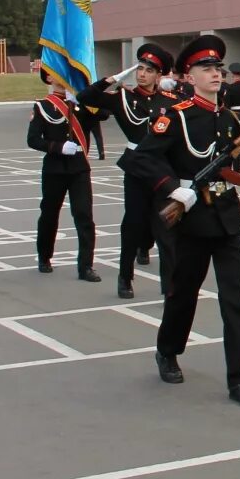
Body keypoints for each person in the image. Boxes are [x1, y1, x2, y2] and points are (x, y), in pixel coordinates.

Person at [125, 34, 240, 409]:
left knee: (234, 299)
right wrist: (173, 187)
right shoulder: (176, 116)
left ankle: (239, 378)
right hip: (192, 218)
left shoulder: (227, 116)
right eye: (207, 68)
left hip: (227, 218)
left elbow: (229, 165)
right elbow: (140, 160)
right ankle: (167, 350)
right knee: (183, 293)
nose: (216, 74)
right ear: (189, 75)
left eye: (218, 68)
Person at [78, 44, 179, 299]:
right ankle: (125, 277)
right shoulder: (122, 98)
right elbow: (85, 97)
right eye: (140, 69)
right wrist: (112, 79)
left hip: (163, 169)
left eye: (148, 71)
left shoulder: (170, 102)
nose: (142, 74)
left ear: (159, 76)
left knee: (166, 228)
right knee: (132, 225)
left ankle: (170, 287)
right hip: (136, 169)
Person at [29, 69, 100, 284]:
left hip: (79, 168)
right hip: (55, 168)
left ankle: (86, 266)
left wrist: (84, 97)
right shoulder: (43, 106)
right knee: (49, 214)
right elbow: (33, 140)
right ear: (49, 78)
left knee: (84, 215)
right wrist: (58, 147)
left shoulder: (79, 104)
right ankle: (44, 256)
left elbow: (103, 114)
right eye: (57, 73)